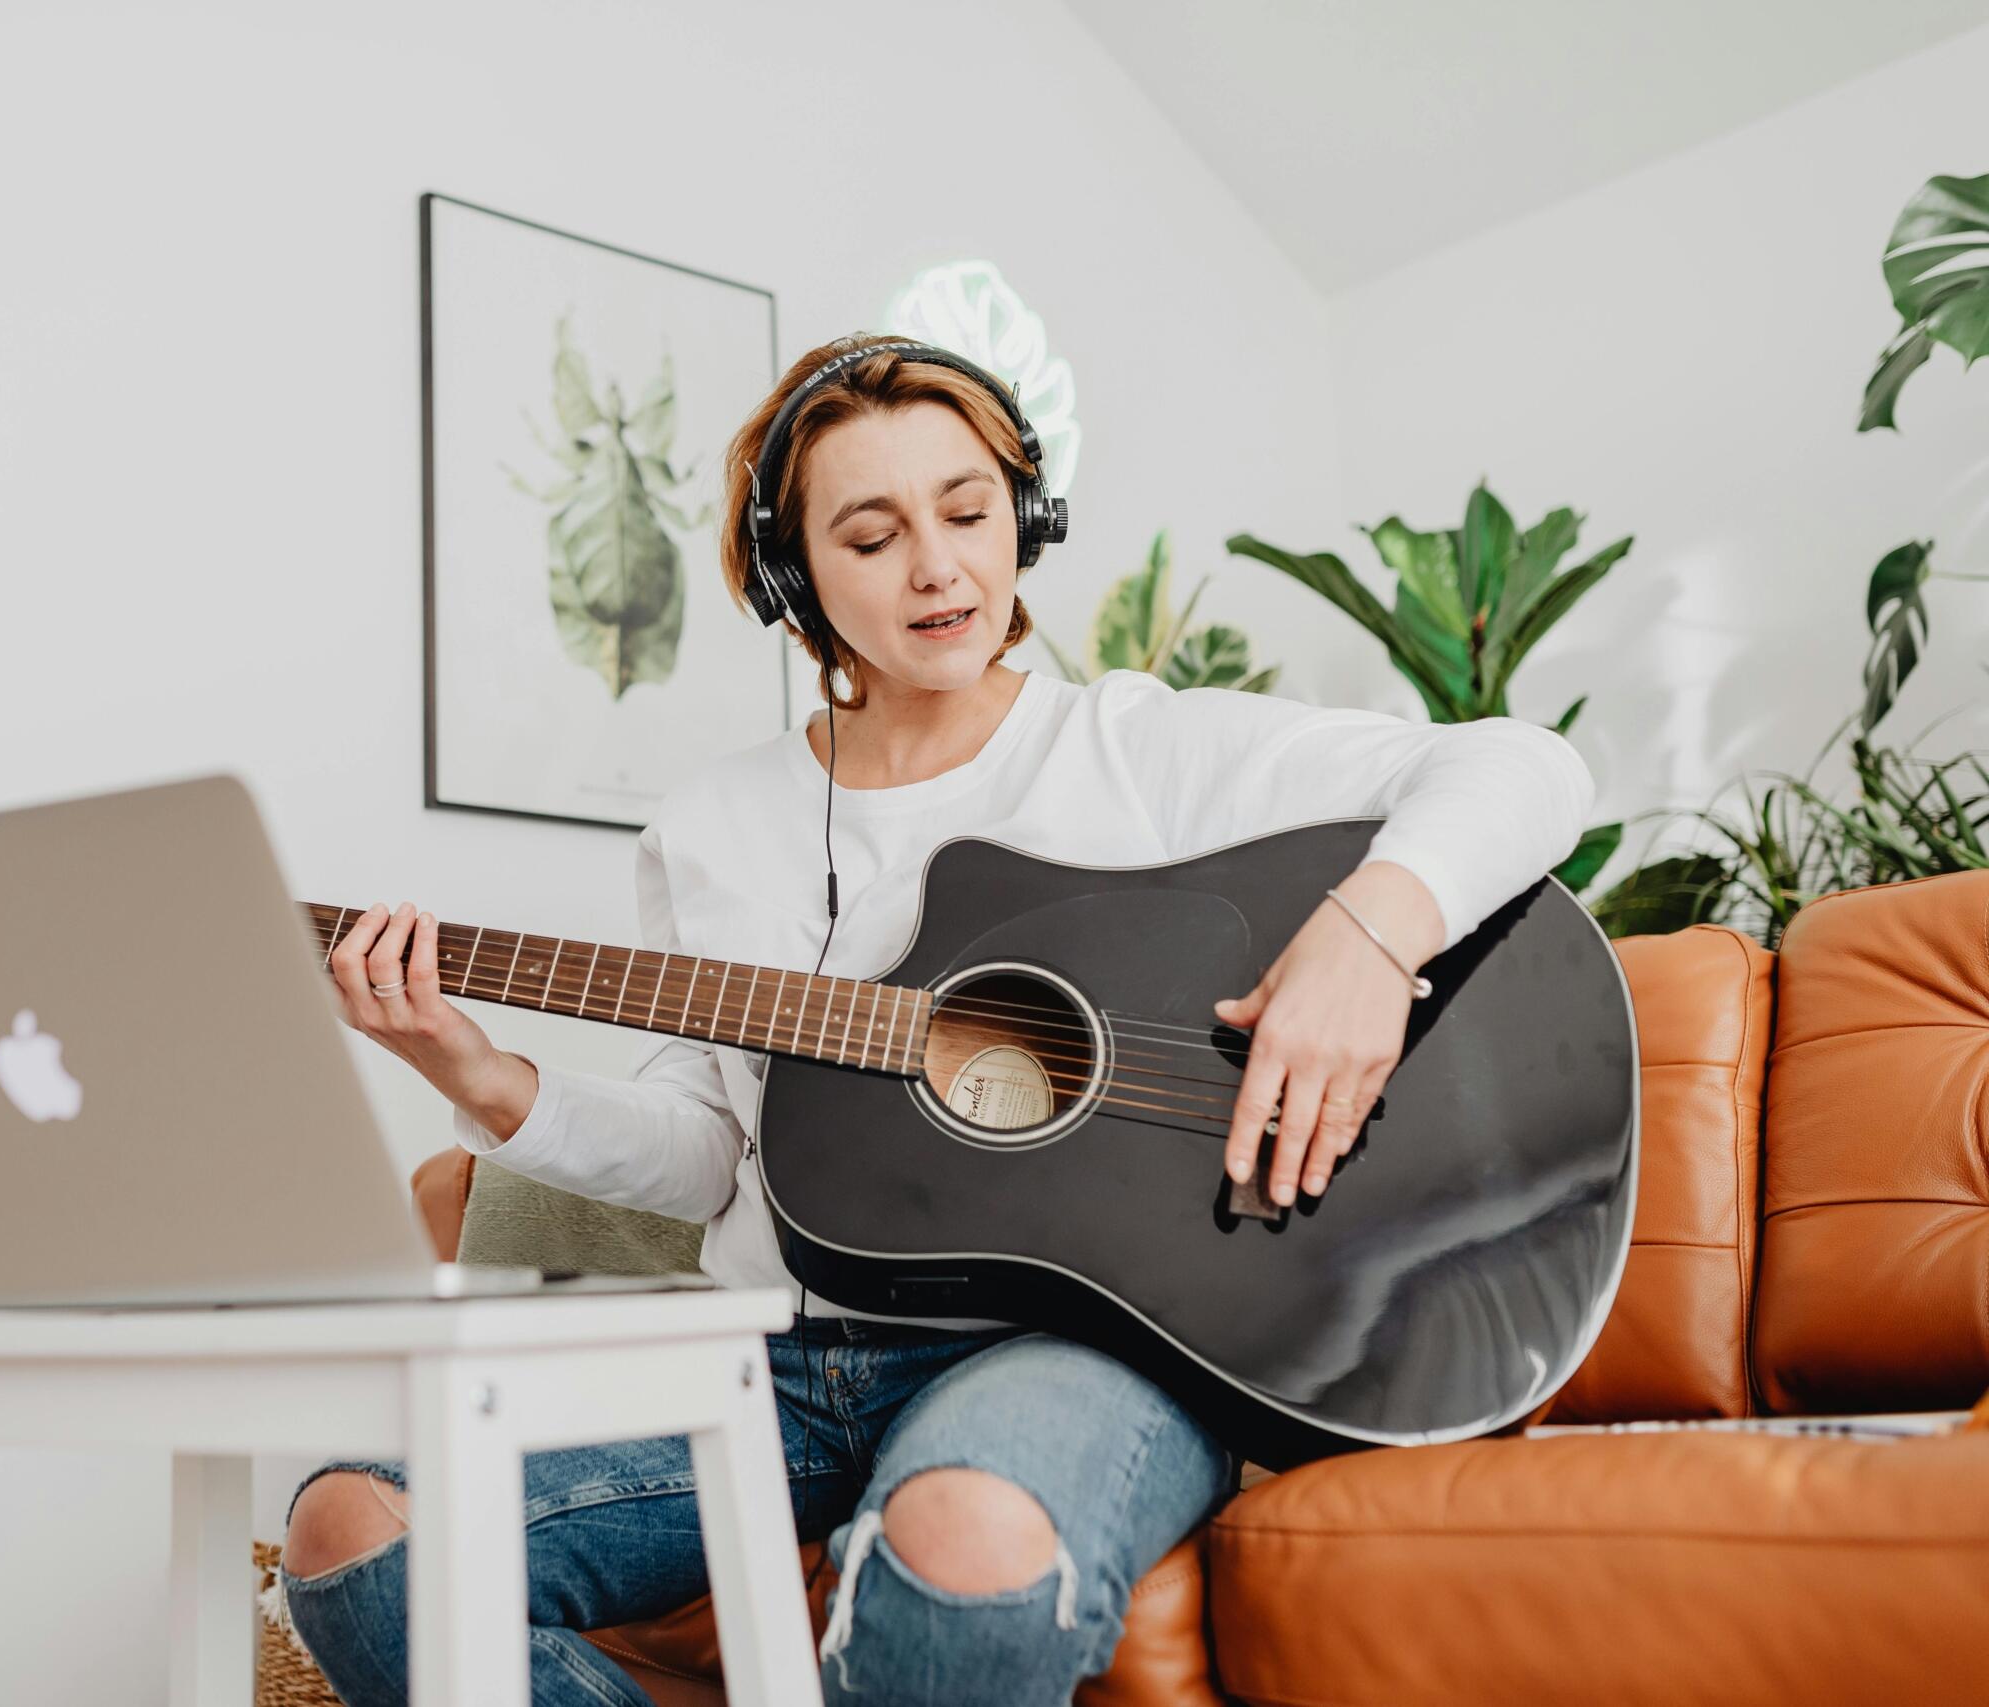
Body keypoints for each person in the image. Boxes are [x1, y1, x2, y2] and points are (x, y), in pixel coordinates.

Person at [281, 335, 1596, 1704]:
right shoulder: (716, 824)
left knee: (967, 1541)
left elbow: (1527, 767)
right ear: (792, 578)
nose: (937, 568)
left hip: (1080, 1349)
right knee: (355, 1538)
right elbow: (708, 1152)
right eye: (871, 537)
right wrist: (481, 1075)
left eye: (968, 513)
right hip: (779, 1359)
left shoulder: (1136, 748)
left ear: (1026, 518)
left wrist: (1369, 940)